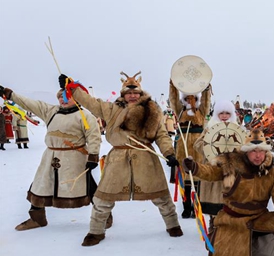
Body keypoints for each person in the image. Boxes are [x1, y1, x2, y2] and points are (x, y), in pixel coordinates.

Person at [62, 72, 183, 246]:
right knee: (104, 198)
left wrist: (169, 153)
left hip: (146, 158)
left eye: (135, 93)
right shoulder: (112, 109)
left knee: (161, 196)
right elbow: (91, 103)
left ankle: (173, 225)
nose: (132, 96)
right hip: (117, 159)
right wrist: (72, 89)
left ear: (140, 94)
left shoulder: (153, 110)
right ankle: (96, 231)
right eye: (128, 93)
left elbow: (162, 135)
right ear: (123, 94)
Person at [0, 85, 102, 231]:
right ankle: (37, 218)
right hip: (51, 155)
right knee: (39, 185)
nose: (63, 99)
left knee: (88, 186)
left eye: (67, 96)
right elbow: (29, 103)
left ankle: (103, 217)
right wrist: (9, 95)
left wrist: (93, 156)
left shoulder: (85, 116)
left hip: (75, 157)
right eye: (60, 96)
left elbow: (94, 137)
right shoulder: (51, 111)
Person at [183, 128, 274, 256]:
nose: (258, 155)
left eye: (261, 151)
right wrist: (194, 167)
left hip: (259, 218)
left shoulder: (273, 174)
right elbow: (212, 172)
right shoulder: (232, 164)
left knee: (272, 247)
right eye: (254, 151)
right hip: (232, 220)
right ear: (246, 151)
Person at [193, 99, 238, 233]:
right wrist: (210, 149)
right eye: (221, 113)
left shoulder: (237, 129)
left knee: (230, 204)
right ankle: (213, 229)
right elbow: (197, 145)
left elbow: (244, 147)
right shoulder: (209, 129)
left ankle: (229, 231)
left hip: (231, 172)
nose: (224, 116)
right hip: (212, 170)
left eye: (227, 113)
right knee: (214, 205)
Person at [169, 80, 211, 219]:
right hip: (183, 145)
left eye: (192, 98)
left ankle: (197, 206)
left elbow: (206, 101)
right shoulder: (180, 111)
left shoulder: (201, 111)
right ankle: (186, 207)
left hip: (198, 145)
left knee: (198, 175)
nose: (189, 100)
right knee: (185, 177)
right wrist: (173, 86)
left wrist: (206, 89)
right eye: (187, 98)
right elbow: (173, 99)